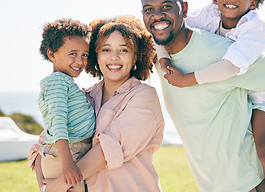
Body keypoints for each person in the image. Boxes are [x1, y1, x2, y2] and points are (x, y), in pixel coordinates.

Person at [141, 0, 265, 192]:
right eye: (148, 9)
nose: (157, 15)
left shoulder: (222, 52)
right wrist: (162, 56)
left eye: (166, 6)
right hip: (210, 185)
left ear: (184, 9)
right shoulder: (157, 51)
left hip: (247, 183)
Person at [29, 15, 165, 192]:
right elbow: (44, 142)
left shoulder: (144, 96)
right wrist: (44, 185)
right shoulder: (84, 96)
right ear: (96, 55)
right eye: (106, 49)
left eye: (123, 50)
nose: (114, 57)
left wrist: (57, 186)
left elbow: (106, 151)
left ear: (135, 57)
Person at [38, 18, 96, 192]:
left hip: (72, 153)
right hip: (67, 156)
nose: (80, 61)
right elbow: (58, 122)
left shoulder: (65, 82)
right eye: (73, 54)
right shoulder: (57, 82)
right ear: (52, 54)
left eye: (84, 55)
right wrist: (68, 162)